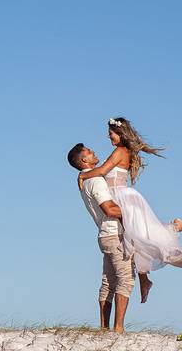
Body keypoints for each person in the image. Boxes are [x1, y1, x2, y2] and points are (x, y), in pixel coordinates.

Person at [77, 117, 182, 304]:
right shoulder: (123, 151)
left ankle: (174, 227)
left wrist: (82, 176)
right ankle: (145, 278)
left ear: (120, 134)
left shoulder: (119, 151)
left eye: (111, 134)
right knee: (137, 239)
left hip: (123, 198)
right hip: (122, 197)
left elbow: (102, 170)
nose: (109, 138)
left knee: (139, 236)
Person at [68, 142, 134, 332]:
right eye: (89, 152)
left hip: (104, 234)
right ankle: (118, 328)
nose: (94, 152)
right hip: (114, 233)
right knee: (126, 279)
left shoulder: (85, 181)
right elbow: (109, 209)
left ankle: (104, 328)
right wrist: (134, 214)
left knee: (108, 281)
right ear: (83, 160)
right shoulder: (95, 181)